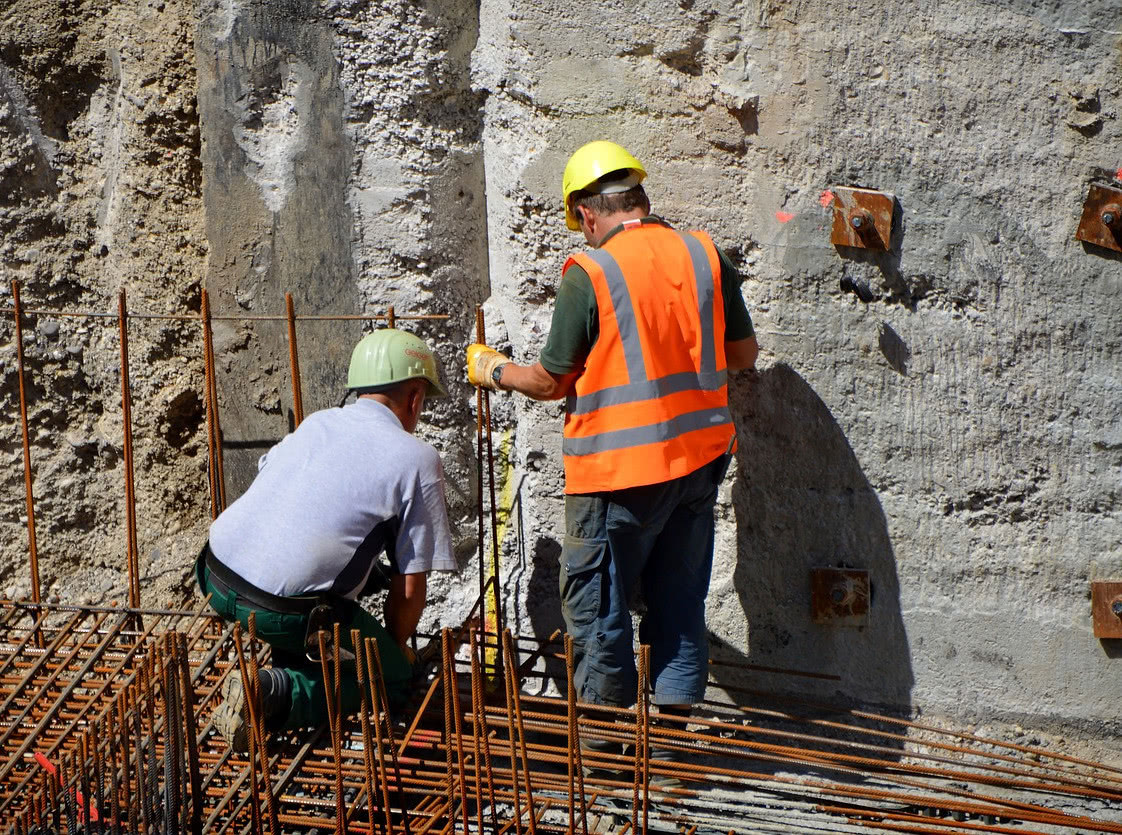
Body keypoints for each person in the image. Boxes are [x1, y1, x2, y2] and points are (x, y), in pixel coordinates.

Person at [466, 140, 758, 756]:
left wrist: (492, 369)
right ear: (640, 201)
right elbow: (742, 356)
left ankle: (604, 757)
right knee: (680, 597)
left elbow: (551, 381)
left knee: (598, 607)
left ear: (586, 213)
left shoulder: (591, 271)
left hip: (618, 474)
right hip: (699, 465)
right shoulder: (703, 254)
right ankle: (673, 744)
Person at [198, 328, 458, 751]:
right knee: (389, 677)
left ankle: (287, 661)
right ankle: (274, 693)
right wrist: (393, 653)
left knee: (327, 606)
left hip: (214, 573)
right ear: (414, 397)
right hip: (277, 610)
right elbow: (410, 589)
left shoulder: (318, 422)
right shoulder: (417, 458)